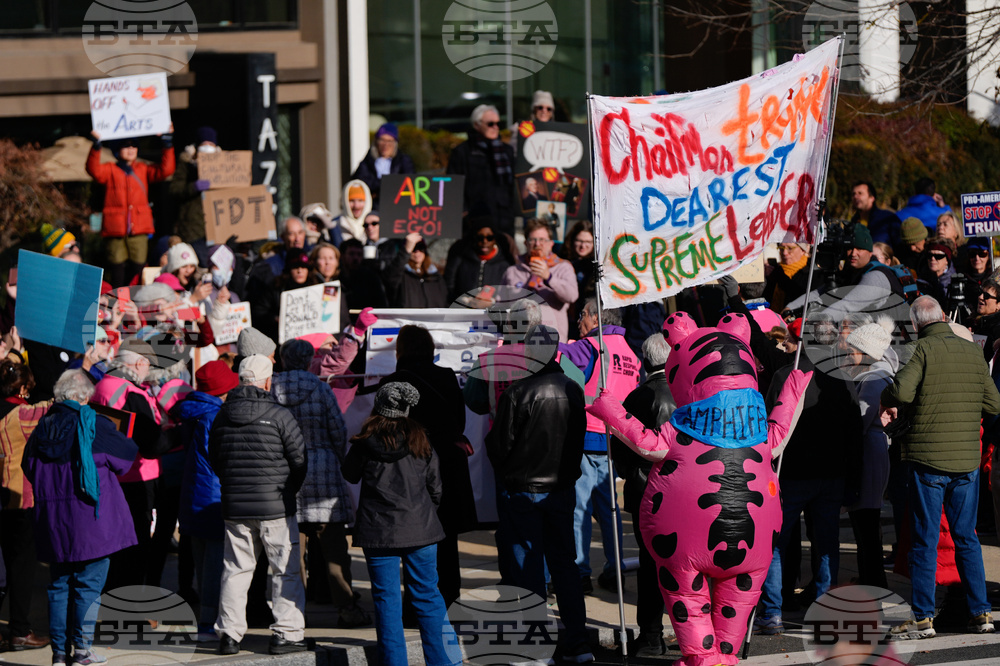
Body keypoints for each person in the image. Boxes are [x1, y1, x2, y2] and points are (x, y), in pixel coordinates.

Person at [587, 311, 812, 666]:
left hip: (683, 536)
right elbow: (781, 430)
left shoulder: (682, 427)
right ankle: (724, 654)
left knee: (686, 594)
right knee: (738, 596)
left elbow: (646, 443)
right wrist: (793, 388)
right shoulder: (757, 431)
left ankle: (702, 656)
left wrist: (609, 409)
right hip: (754, 535)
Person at [882, 296, 1000, 639]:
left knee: (925, 539)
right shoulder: (971, 352)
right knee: (967, 537)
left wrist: (886, 398)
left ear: (917, 323)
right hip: (966, 460)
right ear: (945, 317)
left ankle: (922, 616)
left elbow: (902, 392)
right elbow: (993, 402)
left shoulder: (920, 349)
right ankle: (981, 613)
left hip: (927, 459)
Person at [485, 325, 593, 664]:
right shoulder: (572, 389)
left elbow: (499, 446)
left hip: (524, 490)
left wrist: (508, 472)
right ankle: (577, 641)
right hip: (559, 489)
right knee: (565, 566)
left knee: (529, 568)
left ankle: (538, 644)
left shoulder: (517, 392)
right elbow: (577, 442)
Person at [342, 382, 462, 666]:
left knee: (386, 602)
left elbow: (349, 474)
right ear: (406, 408)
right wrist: (424, 513)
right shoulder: (420, 438)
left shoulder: (365, 441)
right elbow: (436, 487)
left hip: (378, 531)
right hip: (420, 527)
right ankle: (446, 662)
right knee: (429, 597)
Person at [23, 370, 138, 666]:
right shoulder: (93, 423)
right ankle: (83, 652)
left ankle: (60, 654)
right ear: (84, 397)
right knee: (88, 584)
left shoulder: (41, 428)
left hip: (53, 520)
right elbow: (126, 460)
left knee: (59, 585)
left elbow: (28, 467)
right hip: (91, 519)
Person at [209, 355, 308, 656]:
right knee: (285, 570)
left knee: (235, 570)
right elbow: (300, 460)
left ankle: (229, 635)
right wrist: (288, 490)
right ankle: (287, 634)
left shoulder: (222, 414)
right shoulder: (279, 414)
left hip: (235, 506)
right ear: (268, 381)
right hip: (276, 505)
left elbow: (216, 459)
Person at [270, 340, 370, 628]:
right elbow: (337, 430)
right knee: (335, 549)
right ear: (308, 360)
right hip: (324, 470)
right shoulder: (320, 387)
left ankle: (293, 612)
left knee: (290, 551)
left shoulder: (272, 387)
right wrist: (336, 459)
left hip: (287, 473)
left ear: (283, 360)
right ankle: (347, 608)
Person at [378, 325, 472, 609]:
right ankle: (450, 600)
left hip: (410, 468)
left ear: (401, 350)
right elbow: (460, 422)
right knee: (446, 537)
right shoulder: (446, 376)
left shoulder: (392, 381)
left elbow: (384, 431)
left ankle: (415, 606)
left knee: (413, 539)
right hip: (448, 465)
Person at [559, 299, 639, 593]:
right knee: (610, 510)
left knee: (579, 508)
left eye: (580, 316)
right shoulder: (629, 352)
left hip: (586, 435)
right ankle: (614, 568)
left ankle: (580, 571)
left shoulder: (591, 346)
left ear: (594, 318)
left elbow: (555, 357)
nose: (578, 322)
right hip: (614, 439)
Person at [608, 332, 675, 657]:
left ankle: (651, 635)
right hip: (683, 492)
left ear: (646, 361)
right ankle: (689, 632)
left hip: (646, 493)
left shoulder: (637, 397)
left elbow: (618, 447)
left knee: (651, 566)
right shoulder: (688, 393)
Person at [91, 338, 166, 591]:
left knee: (112, 543)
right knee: (136, 546)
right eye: (147, 366)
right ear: (139, 363)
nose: (148, 372)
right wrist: (174, 435)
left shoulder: (101, 385)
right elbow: (151, 444)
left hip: (106, 474)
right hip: (136, 476)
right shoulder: (132, 392)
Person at [172, 360, 238, 642]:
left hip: (191, 494)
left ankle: (206, 619)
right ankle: (209, 622)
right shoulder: (215, 417)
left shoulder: (191, 411)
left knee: (201, 561)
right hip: (213, 495)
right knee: (215, 564)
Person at [841, 317, 898, 588]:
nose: (849, 354)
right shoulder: (876, 374)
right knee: (865, 520)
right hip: (873, 447)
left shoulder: (873, 378)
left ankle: (873, 579)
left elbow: (859, 420)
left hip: (870, 450)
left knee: (866, 519)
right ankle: (871, 577)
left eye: (853, 349)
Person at [0, 362, 51, 651]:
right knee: (21, 568)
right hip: (19, 498)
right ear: (22, 388)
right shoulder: (21, 414)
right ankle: (19, 630)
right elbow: (59, 403)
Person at [86, 128, 175, 287]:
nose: (131, 149)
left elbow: (165, 170)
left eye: (134, 146)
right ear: (116, 149)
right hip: (115, 229)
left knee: (139, 267)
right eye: (126, 146)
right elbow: (93, 170)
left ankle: (137, 301)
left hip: (139, 227)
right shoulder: (110, 169)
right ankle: (118, 301)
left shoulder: (142, 168)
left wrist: (167, 144)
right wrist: (96, 146)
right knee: (117, 269)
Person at [503, 218, 578, 341]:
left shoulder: (563, 267)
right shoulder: (513, 271)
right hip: (519, 340)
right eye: (533, 240)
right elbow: (503, 304)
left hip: (552, 340)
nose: (537, 244)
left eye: (542, 240)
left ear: (551, 243)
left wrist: (549, 277)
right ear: (526, 243)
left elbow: (572, 296)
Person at [447, 105, 516, 237]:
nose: (495, 127)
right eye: (490, 124)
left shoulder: (506, 151)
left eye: (498, 123)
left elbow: (513, 184)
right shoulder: (462, 152)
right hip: (475, 219)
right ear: (477, 125)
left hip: (504, 217)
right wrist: (463, 211)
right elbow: (452, 186)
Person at [170, 126, 217, 244]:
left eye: (211, 144)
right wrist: (194, 186)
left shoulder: (224, 167)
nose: (207, 147)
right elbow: (174, 190)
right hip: (191, 227)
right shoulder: (186, 164)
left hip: (216, 224)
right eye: (204, 143)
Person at [350, 123, 415, 208]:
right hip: (372, 207)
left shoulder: (404, 161)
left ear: (395, 143)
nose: (386, 145)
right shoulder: (368, 161)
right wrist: (387, 185)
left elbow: (408, 183)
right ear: (376, 142)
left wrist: (379, 188)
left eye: (390, 141)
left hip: (398, 206)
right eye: (382, 140)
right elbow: (360, 183)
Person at [444, 223, 512, 303]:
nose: (484, 241)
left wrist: (492, 302)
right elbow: (449, 286)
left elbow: (508, 294)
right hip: (463, 310)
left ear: (495, 239)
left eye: (489, 238)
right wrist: (464, 300)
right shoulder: (461, 259)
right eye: (480, 238)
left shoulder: (505, 264)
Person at [383, 234, 448, 309]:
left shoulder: (436, 275)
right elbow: (390, 278)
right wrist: (406, 250)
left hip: (433, 320)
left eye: (420, 247)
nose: (417, 252)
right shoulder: (402, 274)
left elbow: (445, 301)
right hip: (409, 320)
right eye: (413, 248)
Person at [850, 180, 902, 247]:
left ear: (871, 198)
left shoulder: (888, 219)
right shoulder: (853, 222)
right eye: (853, 194)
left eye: (860, 193)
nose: (855, 197)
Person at [562, 220, 596, 321]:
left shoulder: (596, 266)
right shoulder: (563, 261)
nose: (583, 246)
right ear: (572, 240)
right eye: (579, 241)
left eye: (588, 242)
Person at [763, 242, 810, 313]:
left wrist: (779, 276)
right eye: (781, 248)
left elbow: (800, 295)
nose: (784, 253)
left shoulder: (811, 271)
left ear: (803, 250)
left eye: (790, 248)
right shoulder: (775, 270)